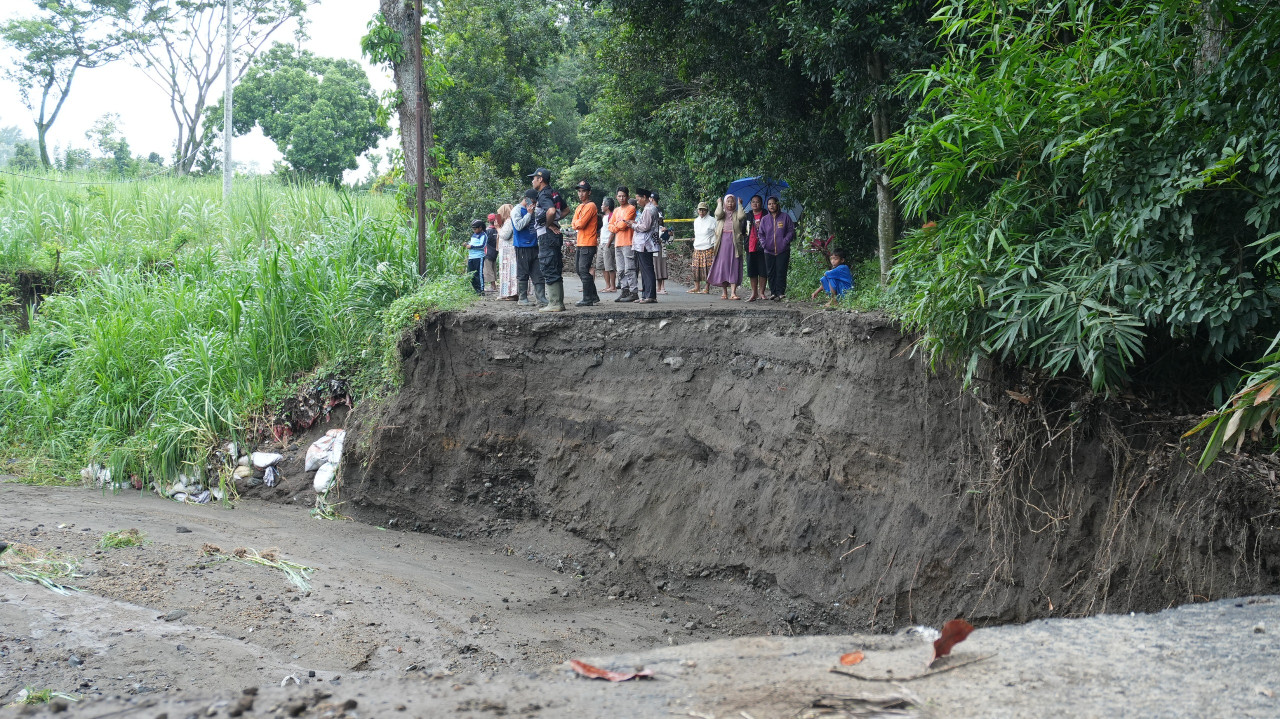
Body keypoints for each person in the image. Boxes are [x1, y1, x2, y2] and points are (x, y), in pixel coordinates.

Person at [528, 168, 566, 312]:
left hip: (546, 236)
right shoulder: (554, 193)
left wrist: (548, 224)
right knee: (555, 265)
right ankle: (558, 302)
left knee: (548, 265)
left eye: (534, 178)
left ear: (540, 179)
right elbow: (566, 209)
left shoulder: (543, 195)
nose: (532, 181)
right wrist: (555, 221)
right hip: (554, 236)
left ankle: (555, 303)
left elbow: (550, 211)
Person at [759, 196, 796, 300]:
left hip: (783, 250)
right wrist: (764, 244)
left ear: (778, 204)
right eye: (769, 204)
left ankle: (780, 292)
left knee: (781, 271)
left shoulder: (785, 217)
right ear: (767, 206)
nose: (772, 205)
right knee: (770, 272)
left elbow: (791, 231)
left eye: (773, 203)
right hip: (768, 250)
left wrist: (785, 242)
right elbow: (761, 234)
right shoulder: (764, 219)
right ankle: (773, 292)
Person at [513, 189, 545, 306]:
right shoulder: (516, 210)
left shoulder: (534, 210)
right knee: (523, 272)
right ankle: (522, 298)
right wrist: (529, 214)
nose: (534, 204)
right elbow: (518, 226)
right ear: (526, 199)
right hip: (522, 246)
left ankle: (541, 297)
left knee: (538, 272)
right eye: (533, 201)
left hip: (535, 245)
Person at [709, 194, 744, 300]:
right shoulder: (721, 214)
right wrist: (719, 203)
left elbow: (742, 217)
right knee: (723, 266)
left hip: (734, 243)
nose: (730, 203)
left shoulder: (737, 213)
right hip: (722, 242)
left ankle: (733, 292)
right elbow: (718, 213)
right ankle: (724, 292)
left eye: (732, 201)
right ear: (725, 203)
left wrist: (739, 204)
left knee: (734, 265)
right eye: (728, 201)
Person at [571, 180, 600, 307]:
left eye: (583, 191)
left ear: (589, 192)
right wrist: (577, 223)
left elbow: (580, 224)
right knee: (579, 269)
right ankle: (593, 295)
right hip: (581, 242)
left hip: (588, 242)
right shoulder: (579, 207)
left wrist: (577, 223)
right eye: (579, 191)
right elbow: (573, 224)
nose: (581, 194)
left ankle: (587, 298)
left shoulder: (591, 206)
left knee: (583, 269)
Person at [609, 187, 637, 302]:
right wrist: (617, 225)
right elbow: (610, 226)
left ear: (628, 197)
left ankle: (633, 292)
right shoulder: (616, 210)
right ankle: (624, 291)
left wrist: (617, 225)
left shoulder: (631, 208)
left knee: (629, 268)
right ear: (616, 197)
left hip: (628, 242)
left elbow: (623, 225)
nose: (621, 198)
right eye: (619, 196)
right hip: (618, 243)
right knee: (620, 269)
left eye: (624, 196)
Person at [631, 189, 659, 304]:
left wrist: (633, 225)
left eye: (638, 199)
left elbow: (645, 227)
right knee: (645, 269)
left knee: (647, 269)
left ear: (644, 197)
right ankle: (645, 295)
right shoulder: (649, 208)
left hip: (646, 243)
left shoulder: (649, 209)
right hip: (645, 243)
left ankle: (650, 295)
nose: (637, 202)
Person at [745, 195, 767, 301]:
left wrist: (761, 226)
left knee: (763, 269)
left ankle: (762, 292)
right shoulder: (747, 215)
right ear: (750, 204)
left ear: (761, 203)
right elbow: (743, 230)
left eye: (757, 202)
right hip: (750, 245)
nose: (755, 204)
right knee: (752, 270)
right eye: (753, 202)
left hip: (763, 246)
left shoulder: (766, 214)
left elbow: (771, 228)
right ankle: (754, 293)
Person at [690, 201, 716, 293]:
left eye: (703, 210)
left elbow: (717, 233)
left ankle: (706, 287)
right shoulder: (696, 221)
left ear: (707, 211)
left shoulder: (712, 220)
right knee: (696, 268)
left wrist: (714, 242)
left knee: (708, 268)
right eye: (700, 210)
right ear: (697, 211)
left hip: (708, 246)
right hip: (697, 246)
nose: (701, 212)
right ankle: (697, 287)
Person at [496, 204, 518, 300]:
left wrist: (497, 228)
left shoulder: (509, 221)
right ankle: (508, 293)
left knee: (510, 272)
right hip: (507, 251)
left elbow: (505, 235)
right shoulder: (508, 221)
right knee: (508, 272)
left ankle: (512, 293)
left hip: (509, 252)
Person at [596, 197, 617, 293]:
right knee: (603, 266)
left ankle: (613, 286)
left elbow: (613, 231)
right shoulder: (604, 217)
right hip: (602, 243)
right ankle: (607, 285)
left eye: (603, 204)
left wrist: (608, 243)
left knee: (610, 266)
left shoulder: (611, 216)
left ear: (607, 206)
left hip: (608, 244)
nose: (601, 206)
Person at [650, 191, 669, 294]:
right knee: (656, 264)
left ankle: (661, 287)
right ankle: (658, 287)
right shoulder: (658, 209)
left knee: (660, 263)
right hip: (655, 241)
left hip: (659, 241)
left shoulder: (655, 210)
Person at [466, 219, 487, 295]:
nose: (474, 230)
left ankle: (481, 290)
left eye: (475, 229)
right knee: (471, 273)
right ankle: (475, 289)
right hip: (471, 257)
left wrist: (471, 246)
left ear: (480, 228)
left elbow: (482, 245)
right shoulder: (474, 235)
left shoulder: (483, 235)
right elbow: (472, 243)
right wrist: (467, 244)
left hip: (479, 257)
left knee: (479, 273)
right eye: (473, 229)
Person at [484, 213, 499, 293]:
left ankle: (493, 286)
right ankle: (494, 285)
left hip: (488, 252)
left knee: (488, 269)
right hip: (495, 252)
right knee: (493, 269)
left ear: (488, 220)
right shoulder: (498, 230)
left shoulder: (487, 231)